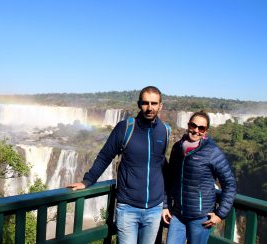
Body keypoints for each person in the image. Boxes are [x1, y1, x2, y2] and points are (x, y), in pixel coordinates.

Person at [68, 86, 170, 244]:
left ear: (160, 105)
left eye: (154, 103)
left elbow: (162, 167)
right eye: (145, 103)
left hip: (154, 209)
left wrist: (165, 203)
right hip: (128, 208)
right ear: (139, 104)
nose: (150, 108)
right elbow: (105, 156)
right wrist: (87, 181)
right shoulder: (126, 128)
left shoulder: (164, 131)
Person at [162, 111, 236, 244]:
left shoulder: (212, 152)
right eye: (193, 126)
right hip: (178, 214)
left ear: (206, 131)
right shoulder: (177, 148)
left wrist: (220, 214)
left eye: (201, 128)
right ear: (188, 125)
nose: (196, 130)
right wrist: (166, 205)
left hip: (200, 218)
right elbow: (169, 179)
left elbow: (230, 184)